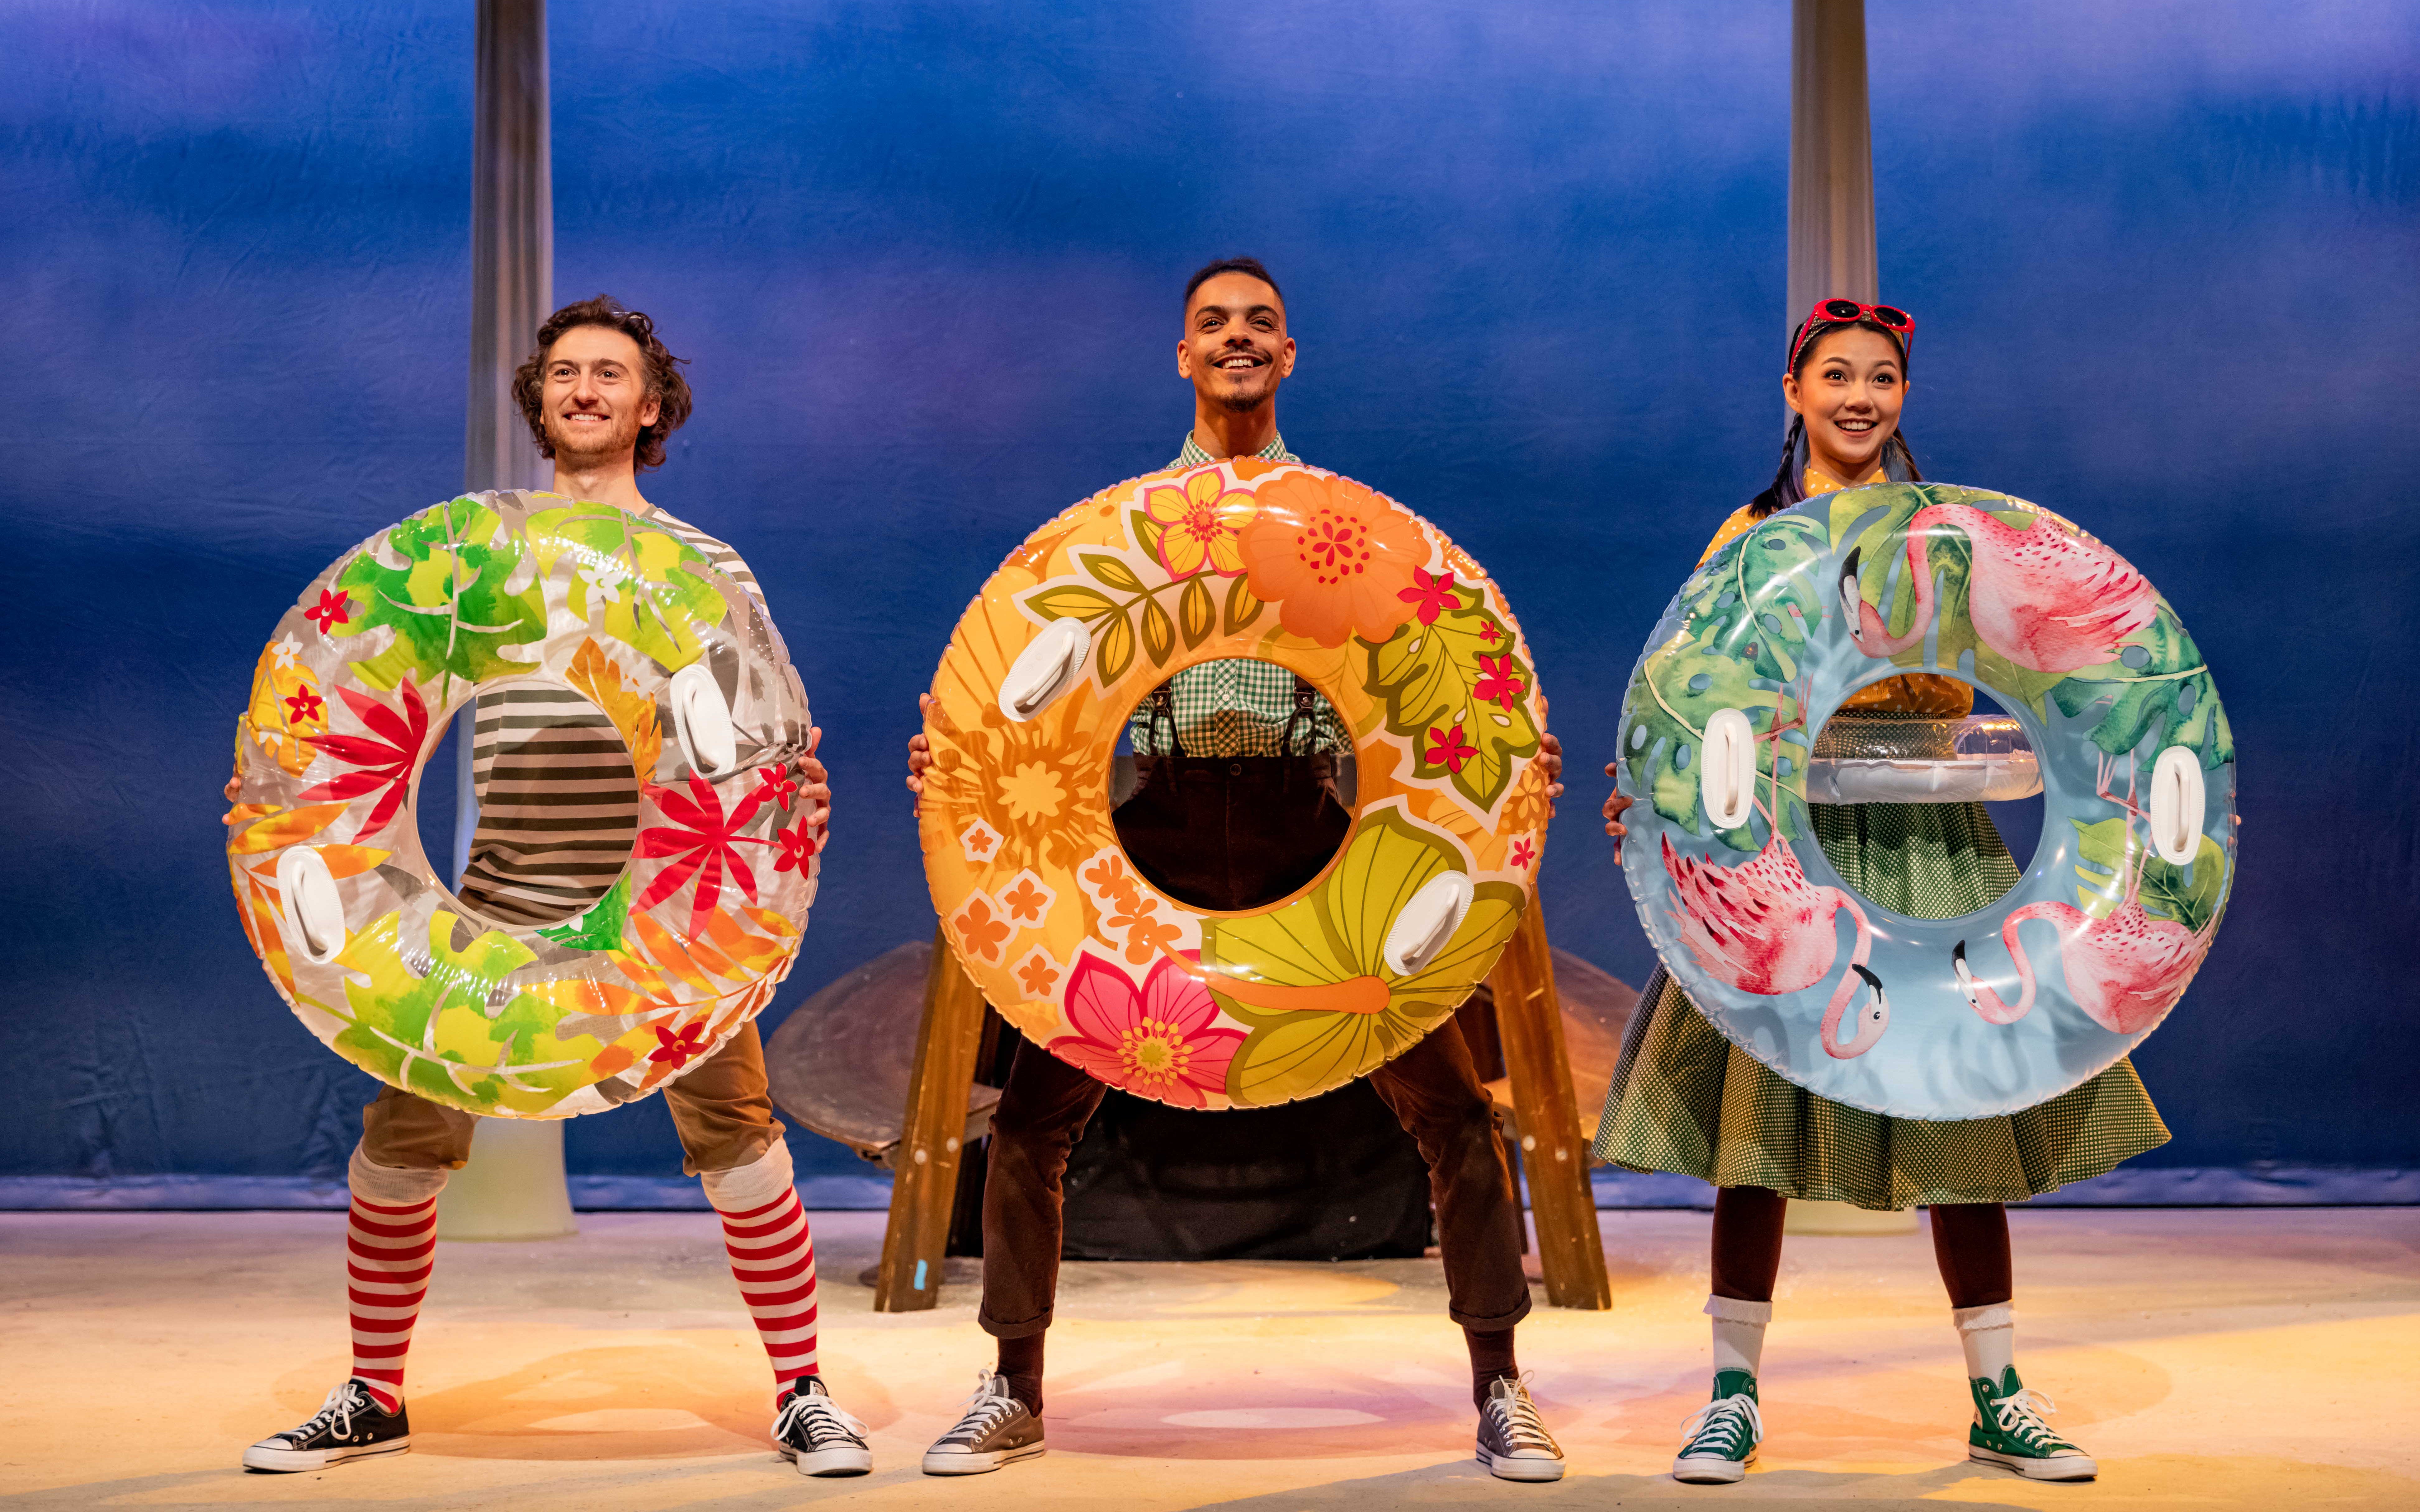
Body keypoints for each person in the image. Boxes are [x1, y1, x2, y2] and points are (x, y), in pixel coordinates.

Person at [904, 258, 1570, 1482]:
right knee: (1035, 1122)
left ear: (1290, 354)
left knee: (1455, 1111)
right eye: (1214, 324)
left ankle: (1502, 1385)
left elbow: (1424, 684)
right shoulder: (1124, 529)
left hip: (1304, 823)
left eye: (1260, 323)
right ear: (1184, 357)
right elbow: (1033, 691)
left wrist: (1507, 757)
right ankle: (1014, 1386)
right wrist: (960, 752)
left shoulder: (1339, 527)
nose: (1238, 339)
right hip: (1150, 828)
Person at [233, 296, 872, 1478]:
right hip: (490, 896)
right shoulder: (477, 553)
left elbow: (766, 744)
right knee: (402, 1138)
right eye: (565, 373)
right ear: (541, 400)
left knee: (738, 1138)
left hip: (668, 915)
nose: (584, 389)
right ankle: (374, 1391)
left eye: (610, 374)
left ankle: (802, 1391)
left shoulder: (705, 564)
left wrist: (798, 804)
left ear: (651, 404)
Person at [1596, 298, 2167, 1486]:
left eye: (1885, 378)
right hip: (1789, 870)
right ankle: (1734, 1396)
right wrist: (1650, 795)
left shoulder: (1957, 539)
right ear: (1793, 391)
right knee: (1758, 1132)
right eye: (1839, 375)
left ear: (1905, 397)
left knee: (1957, 1114)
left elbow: (2051, 663)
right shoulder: (1747, 537)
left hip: (1935, 847)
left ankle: (1999, 1396)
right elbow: (1699, 697)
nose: (1862, 396)